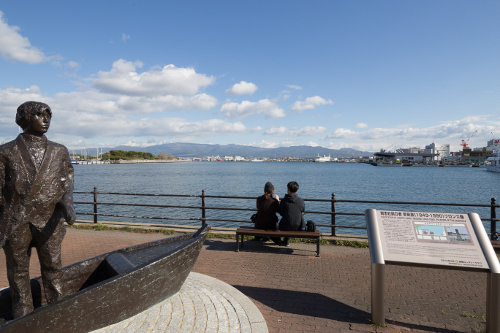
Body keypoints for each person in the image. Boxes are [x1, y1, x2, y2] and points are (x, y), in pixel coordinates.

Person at [0, 101, 75, 318]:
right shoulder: (5, 152)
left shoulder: (59, 151)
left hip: (50, 218)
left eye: (48, 116)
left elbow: (66, 179)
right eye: (40, 115)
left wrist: (68, 203)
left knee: (53, 267)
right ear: (25, 118)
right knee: (17, 271)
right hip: (16, 220)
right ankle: (22, 315)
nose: (46, 120)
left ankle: (57, 310)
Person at [278, 181, 305, 246]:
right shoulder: (301, 201)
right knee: (292, 219)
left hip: (284, 227)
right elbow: (303, 212)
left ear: (288, 190)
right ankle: (285, 240)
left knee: (285, 221)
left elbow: (281, 213)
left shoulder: (284, 201)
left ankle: (282, 241)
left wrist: (278, 203)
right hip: (298, 227)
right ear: (297, 190)